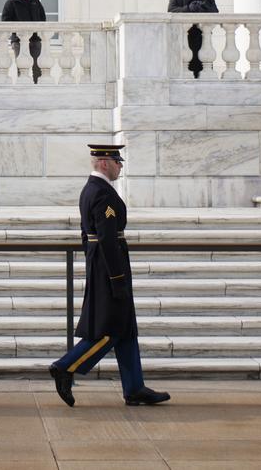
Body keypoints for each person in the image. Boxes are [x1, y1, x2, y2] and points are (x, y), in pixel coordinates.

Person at [49, 144, 170, 408]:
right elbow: (106, 239)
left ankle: (134, 387)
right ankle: (65, 367)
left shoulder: (91, 190)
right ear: (104, 162)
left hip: (101, 266)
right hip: (110, 270)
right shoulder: (103, 194)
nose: (120, 166)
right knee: (108, 330)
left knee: (125, 330)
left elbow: (87, 236)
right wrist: (116, 277)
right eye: (117, 161)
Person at [166, 0, 218, 78]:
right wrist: (189, 8)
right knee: (185, 64)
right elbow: (171, 10)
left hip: (202, 35)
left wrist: (202, 7)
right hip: (183, 35)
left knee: (202, 64)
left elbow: (215, 11)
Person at [1, 0, 47, 83]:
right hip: (18, 41)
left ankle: (37, 90)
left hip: (35, 40)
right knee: (22, 68)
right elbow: (5, 22)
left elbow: (43, 19)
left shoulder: (35, 1)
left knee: (37, 68)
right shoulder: (11, 3)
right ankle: (22, 90)